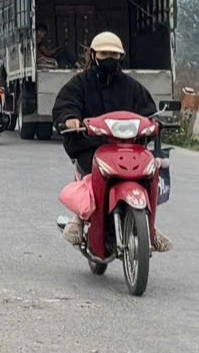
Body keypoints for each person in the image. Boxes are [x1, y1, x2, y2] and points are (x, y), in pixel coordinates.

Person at [51, 31, 168, 250]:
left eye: (114, 55)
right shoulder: (79, 84)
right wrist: (70, 120)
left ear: (121, 57)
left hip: (127, 146)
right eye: (104, 53)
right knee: (89, 173)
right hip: (90, 146)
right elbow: (66, 104)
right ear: (94, 55)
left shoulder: (132, 87)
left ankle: (149, 225)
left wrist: (155, 123)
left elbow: (148, 112)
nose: (109, 59)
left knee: (150, 171)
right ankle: (78, 218)